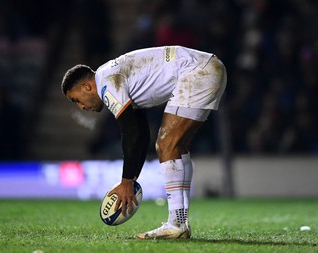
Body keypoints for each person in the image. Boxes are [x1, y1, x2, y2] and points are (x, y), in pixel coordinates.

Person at [61, 46, 227, 239]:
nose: (81, 107)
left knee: (166, 144)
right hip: (206, 68)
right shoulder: (115, 77)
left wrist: (125, 182)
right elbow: (140, 134)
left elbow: (130, 132)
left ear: (87, 87)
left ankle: (177, 223)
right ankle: (180, 223)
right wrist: (131, 180)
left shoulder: (107, 84)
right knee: (176, 147)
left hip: (198, 72)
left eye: (76, 100)